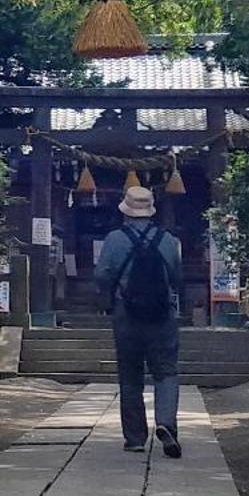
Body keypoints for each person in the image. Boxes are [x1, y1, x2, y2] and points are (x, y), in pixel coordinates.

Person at [94, 182, 182, 457]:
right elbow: (177, 278)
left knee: (130, 375)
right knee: (166, 371)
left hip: (126, 314)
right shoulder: (168, 241)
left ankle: (134, 437)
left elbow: (102, 276)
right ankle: (166, 423)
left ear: (126, 211)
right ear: (151, 211)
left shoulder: (114, 239)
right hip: (162, 314)